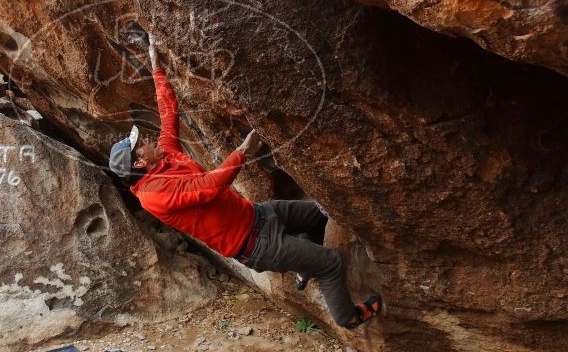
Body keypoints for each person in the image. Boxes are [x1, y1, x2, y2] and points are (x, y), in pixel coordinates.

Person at [109, 38, 381, 329]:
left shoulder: (165, 158)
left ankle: (304, 265)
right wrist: (243, 151)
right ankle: (348, 317)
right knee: (331, 263)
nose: (148, 139)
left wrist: (156, 68)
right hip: (257, 245)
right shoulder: (154, 195)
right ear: (139, 163)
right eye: (141, 144)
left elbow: (169, 114)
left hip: (258, 214)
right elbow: (210, 185)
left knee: (320, 215)